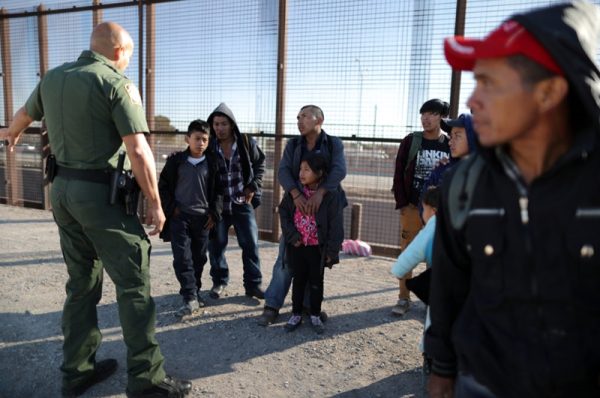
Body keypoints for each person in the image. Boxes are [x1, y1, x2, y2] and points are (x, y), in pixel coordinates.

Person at [0, 22, 191, 397]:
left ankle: (77, 371)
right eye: (129, 56)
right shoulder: (116, 83)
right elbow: (138, 151)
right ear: (119, 51)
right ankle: (146, 379)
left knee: (81, 284)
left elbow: (22, 115)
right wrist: (156, 204)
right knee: (133, 283)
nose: (128, 63)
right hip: (100, 198)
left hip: (62, 194)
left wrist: (13, 133)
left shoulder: (53, 78)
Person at [426, 2, 600, 397]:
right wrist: (442, 370)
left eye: (489, 83)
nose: (472, 100)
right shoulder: (465, 184)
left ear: (549, 92)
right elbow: (449, 287)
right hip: (482, 383)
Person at [258, 105, 347, 326]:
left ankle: (308, 307)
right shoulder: (293, 144)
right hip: (298, 206)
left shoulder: (333, 144)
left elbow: (339, 170)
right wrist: (296, 195)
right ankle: (272, 305)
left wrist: (320, 193)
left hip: (323, 209)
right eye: (298, 117)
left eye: (305, 116)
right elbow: (283, 171)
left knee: (313, 261)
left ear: (319, 120)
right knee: (287, 258)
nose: (299, 120)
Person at [158, 119, 223, 317]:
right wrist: (173, 209)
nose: (200, 143)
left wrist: (214, 213)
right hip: (180, 218)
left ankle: (194, 291)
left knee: (199, 257)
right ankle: (189, 297)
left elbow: (219, 191)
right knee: (182, 258)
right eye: (197, 138)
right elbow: (163, 186)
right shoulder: (176, 161)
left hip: (203, 219)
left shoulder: (213, 163)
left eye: (205, 139)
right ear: (188, 139)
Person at [391, 99, 450, 316]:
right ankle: (403, 298)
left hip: (439, 211)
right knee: (408, 252)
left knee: (436, 255)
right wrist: (404, 204)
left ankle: (431, 300)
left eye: (432, 114)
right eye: (423, 114)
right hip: (413, 207)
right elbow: (399, 172)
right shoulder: (411, 141)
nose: (426, 118)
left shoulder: (449, 143)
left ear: (442, 117)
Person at [279, 153, 344, 334]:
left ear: (320, 172)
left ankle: (315, 314)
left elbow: (336, 226)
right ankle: (296, 314)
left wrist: (331, 250)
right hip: (298, 246)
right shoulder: (294, 193)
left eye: (306, 169)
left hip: (318, 249)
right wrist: (292, 236)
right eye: (300, 168)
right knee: (298, 281)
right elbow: (283, 213)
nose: (301, 173)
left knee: (316, 282)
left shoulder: (330, 197)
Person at [207, 103, 266, 299]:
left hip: (242, 202)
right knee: (216, 245)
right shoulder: (209, 145)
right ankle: (219, 281)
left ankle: (253, 285)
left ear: (232, 124)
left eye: (223, 124)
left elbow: (259, 164)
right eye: (216, 124)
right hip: (218, 206)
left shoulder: (246, 142)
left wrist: (252, 187)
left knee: (250, 244)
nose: (219, 128)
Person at [390, 185, 440, 383]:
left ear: (433, 211)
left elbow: (411, 254)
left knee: (435, 319)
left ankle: (430, 357)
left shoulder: (434, 225)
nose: (422, 213)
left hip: (442, 280)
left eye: (423, 209)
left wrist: (397, 270)